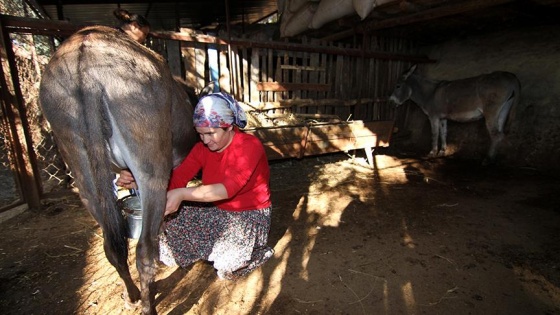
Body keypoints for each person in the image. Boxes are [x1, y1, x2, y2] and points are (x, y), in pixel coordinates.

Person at [116, 92, 274, 280]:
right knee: (168, 224)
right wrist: (139, 182)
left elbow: (227, 189)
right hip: (216, 209)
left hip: (248, 216)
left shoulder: (249, 146)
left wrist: (182, 194)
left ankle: (258, 251)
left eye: (210, 133)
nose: (206, 140)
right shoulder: (202, 149)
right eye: (200, 134)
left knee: (228, 267)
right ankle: (215, 247)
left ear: (228, 126)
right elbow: (176, 180)